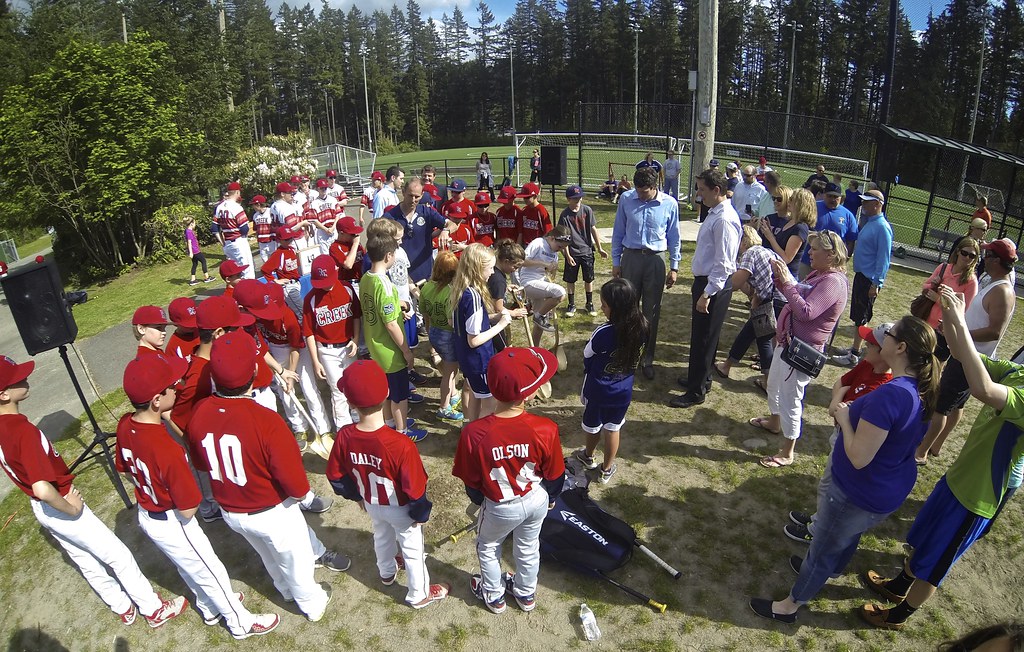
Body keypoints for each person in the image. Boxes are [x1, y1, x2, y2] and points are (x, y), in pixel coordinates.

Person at [750, 316, 938, 624]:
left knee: (821, 550)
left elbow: (859, 457)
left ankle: (790, 606)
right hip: (884, 489)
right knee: (847, 535)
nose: (882, 337)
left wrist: (844, 417)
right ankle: (834, 568)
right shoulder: (920, 387)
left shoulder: (893, 393)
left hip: (857, 490)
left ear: (901, 347)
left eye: (888, 334)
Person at [860, 286, 1024, 630]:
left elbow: (982, 390)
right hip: (958, 479)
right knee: (925, 540)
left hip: (977, 499)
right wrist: (952, 314)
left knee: (937, 562)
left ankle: (900, 615)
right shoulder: (1019, 373)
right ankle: (898, 586)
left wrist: (960, 322)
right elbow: (966, 357)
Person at [0, 356, 189, 628]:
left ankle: (121, 604)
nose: (25, 379)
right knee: (117, 554)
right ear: (4, 394)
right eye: (16, 379)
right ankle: (153, 609)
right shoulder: (23, 431)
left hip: (40, 508)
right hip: (59, 501)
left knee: (84, 558)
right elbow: (43, 488)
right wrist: (71, 507)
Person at [186, 332, 349, 623]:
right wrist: (300, 496)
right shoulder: (265, 420)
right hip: (269, 509)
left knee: (266, 553)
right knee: (295, 557)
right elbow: (296, 485)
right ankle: (312, 603)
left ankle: (284, 589)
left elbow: (201, 463)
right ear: (253, 372)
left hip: (230, 510)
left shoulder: (199, 412)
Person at [116, 354, 280, 640]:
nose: (177, 388)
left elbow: (125, 469)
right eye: (170, 386)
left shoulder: (124, 425)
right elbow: (190, 506)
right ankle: (240, 622)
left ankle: (208, 606)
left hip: (148, 512)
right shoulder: (165, 446)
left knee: (186, 566)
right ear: (156, 401)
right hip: (173, 518)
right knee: (209, 568)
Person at [326, 360, 450, 609]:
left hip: (371, 501)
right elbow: (415, 488)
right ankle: (418, 594)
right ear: (386, 395)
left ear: (350, 403)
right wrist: (420, 513)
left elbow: (336, 476)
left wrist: (356, 496)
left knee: (381, 535)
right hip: (401, 508)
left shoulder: (344, 436)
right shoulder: (400, 444)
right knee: (412, 549)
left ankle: (386, 572)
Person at [452, 346, 566, 614]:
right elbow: (556, 474)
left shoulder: (473, 433)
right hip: (535, 496)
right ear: (532, 391)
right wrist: (550, 497)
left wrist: (482, 501)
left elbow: (471, 483)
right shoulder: (545, 428)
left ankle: (493, 595)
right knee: (528, 547)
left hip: (500, 503)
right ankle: (526, 594)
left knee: (488, 545)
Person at [784, 322, 895, 544]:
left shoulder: (883, 385)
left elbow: (837, 408)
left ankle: (817, 531)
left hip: (849, 440)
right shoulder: (866, 365)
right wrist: (839, 398)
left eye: (871, 344)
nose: (864, 346)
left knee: (829, 486)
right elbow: (840, 383)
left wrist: (837, 401)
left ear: (884, 352)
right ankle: (818, 519)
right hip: (840, 431)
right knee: (827, 483)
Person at [750, 230, 849, 467]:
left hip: (800, 351)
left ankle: (787, 451)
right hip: (787, 345)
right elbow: (795, 295)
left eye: (815, 249)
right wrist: (781, 280)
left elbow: (806, 312)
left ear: (831, 254)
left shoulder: (833, 282)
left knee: (791, 398)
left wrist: (786, 283)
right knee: (773, 385)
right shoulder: (820, 274)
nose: (809, 253)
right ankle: (775, 423)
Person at [916, 239, 1017, 465]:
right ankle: (936, 445)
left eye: (988, 254)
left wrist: (961, 333)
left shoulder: (1002, 291)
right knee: (956, 404)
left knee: (941, 405)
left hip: (969, 357)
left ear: (996, 260)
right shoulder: (994, 283)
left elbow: (994, 332)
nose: (983, 257)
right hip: (965, 354)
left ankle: (921, 452)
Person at [670, 168, 741, 408]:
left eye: (702, 189)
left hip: (713, 285)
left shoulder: (723, 219)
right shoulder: (715, 212)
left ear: (716, 190)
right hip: (708, 282)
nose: (698, 194)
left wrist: (707, 293)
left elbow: (724, 262)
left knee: (704, 338)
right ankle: (700, 378)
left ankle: (696, 391)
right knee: (704, 336)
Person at [235, 279, 332, 450]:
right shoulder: (254, 317)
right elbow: (261, 345)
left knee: (309, 388)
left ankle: (323, 429)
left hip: (297, 350)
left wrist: (291, 374)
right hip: (276, 348)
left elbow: (295, 348)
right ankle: (299, 428)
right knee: (284, 391)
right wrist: (281, 372)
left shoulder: (289, 319)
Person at [573, 278, 648, 484]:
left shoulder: (604, 332)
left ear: (617, 308)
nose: (601, 308)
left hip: (597, 389)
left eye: (604, 305)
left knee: (593, 425)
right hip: (623, 390)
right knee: (613, 427)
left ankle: (588, 456)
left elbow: (587, 353)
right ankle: (606, 469)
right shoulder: (643, 326)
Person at [611, 166, 680, 380]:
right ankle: (625, 354)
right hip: (631, 257)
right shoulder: (626, 199)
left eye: (645, 191)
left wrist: (675, 266)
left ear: (655, 186)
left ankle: (646, 358)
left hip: (655, 260)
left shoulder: (670, 204)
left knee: (651, 312)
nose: (640, 195)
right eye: (638, 191)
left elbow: (674, 236)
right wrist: (616, 261)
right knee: (627, 308)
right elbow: (618, 230)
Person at [360, 235, 428, 442]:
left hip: (375, 345)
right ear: (389, 256)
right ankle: (402, 431)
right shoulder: (385, 285)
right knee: (400, 394)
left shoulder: (366, 278)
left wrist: (401, 305)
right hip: (390, 350)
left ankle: (390, 423)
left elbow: (378, 307)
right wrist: (406, 351)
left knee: (388, 391)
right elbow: (390, 323)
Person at [451, 244, 515, 422]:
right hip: (478, 360)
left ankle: (470, 429)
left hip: (466, 358)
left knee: (474, 395)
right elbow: (474, 339)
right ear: (478, 268)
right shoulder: (474, 297)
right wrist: (501, 324)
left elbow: (464, 323)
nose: (493, 273)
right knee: (489, 403)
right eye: (490, 268)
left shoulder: (460, 290)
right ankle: (481, 438)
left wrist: (491, 319)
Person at [713, 224, 784, 384]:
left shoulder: (750, 254)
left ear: (743, 241)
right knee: (749, 333)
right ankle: (726, 365)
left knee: (764, 339)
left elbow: (736, 284)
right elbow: (750, 287)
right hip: (778, 299)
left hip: (773, 302)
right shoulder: (764, 251)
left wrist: (715, 283)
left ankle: (768, 382)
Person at [833, 189, 894, 366]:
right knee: (857, 315)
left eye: (867, 202)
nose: (863, 205)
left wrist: (876, 283)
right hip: (862, 276)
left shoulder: (882, 227)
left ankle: (854, 354)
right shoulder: (871, 222)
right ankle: (854, 346)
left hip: (869, 279)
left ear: (878, 204)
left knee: (862, 317)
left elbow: (884, 259)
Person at [420, 252, 463, 422]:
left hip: (434, 332)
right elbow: (452, 321)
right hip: (448, 333)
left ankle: (453, 394)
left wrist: (430, 334)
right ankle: (444, 407)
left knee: (448, 367)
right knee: (450, 373)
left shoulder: (427, 287)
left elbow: (425, 314)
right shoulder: (451, 291)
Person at [920, 239, 980, 361]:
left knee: (933, 368)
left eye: (972, 256)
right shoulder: (943, 267)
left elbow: (963, 310)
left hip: (944, 330)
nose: (967, 257)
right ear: (957, 252)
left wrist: (938, 299)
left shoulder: (971, 281)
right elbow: (925, 287)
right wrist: (933, 284)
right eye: (964, 253)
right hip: (925, 322)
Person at [385, 177, 452, 284]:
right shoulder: (390, 217)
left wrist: (445, 230)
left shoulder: (426, 212)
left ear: (422, 195)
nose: (413, 200)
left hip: (426, 276)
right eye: (410, 195)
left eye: (417, 196)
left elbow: (452, 224)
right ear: (403, 192)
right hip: (400, 277)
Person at [558, 185, 607, 317]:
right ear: (568, 199)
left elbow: (593, 229)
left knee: (589, 278)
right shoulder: (565, 215)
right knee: (570, 280)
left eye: (580, 197)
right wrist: (567, 255)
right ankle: (571, 304)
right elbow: (564, 237)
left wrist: (599, 248)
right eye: (575, 198)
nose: (578, 200)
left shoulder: (587, 210)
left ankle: (589, 303)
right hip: (573, 252)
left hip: (586, 251)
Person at [798, 183, 857, 279]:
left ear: (841, 198)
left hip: (833, 266)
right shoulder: (813, 208)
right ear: (824, 195)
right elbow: (801, 228)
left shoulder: (848, 215)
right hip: (808, 261)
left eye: (835, 197)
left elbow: (851, 241)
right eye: (829, 196)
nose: (832, 199)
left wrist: (844, 260)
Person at [521, 225, 572, 338]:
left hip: (540, 282)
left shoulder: (554, 252)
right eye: (559, 246)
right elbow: (521, 261)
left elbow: (550, 275)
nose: (559, 250)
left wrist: (553, 269)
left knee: (540, 325)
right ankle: (539, 315)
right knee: (560, 293)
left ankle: (535, 349)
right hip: (528, 282)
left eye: (562, 248)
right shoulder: (539, 243)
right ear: (552, 238)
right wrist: (543, 264)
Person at [759, 185, 812, 277]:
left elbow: (786, 258)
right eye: (773, 198)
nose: (788, 202)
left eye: (791, 199)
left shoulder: (800, 228)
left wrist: (770, 236)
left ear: (800, 204)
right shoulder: (789, 222)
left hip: (786, 276)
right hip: (772, 271)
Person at [488, 239, 527, 354]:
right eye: (515, 267)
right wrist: (514, 313)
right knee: (502, 351)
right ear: (505, 261)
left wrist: (506, 287)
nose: (515, 271)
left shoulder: (494, 270)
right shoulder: (499, 280)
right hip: (493, 323)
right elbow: (498, 308)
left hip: (489, 319)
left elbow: (491, 289)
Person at [214, 182, 256, 279]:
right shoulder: (236, 207)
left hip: (227, 243)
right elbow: (244, 228)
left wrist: (222, 242)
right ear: (237, 192)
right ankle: (249, 292)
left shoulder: (219, 207)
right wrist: (243, 237)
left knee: (234, 272)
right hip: (238, 241)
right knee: (247, 270)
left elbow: (214, 228)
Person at [260, 225, 304, 318]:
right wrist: (275, 280)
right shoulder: (278, 254)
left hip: (296, 283)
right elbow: (265, 269)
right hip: (288, 286)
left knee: (296, 313)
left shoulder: (292, 249)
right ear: (279, 240)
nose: (289, 241)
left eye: (291, 238)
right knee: (302, 314)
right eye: (286, 239)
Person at [165, 297, 198, 362]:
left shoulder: (202, 330)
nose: (194, 326)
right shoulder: (173, 347)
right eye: (188, 325)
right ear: (175, 324)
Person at [250, 194, 277, 263]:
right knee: (265, 261)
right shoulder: (255, 215)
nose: (253, 207)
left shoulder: (270, 212)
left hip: (271, 241)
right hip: (261, 242)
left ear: (258, 204)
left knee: (274, 260)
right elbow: (256, 229)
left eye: (254, 205)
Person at [185, 217, 212, 286]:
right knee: (203, 261)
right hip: (195, 251)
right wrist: (191, 252)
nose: (195, 224)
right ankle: (207, 277)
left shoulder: (188, 231)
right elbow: (189, 242)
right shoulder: (189, 231)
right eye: (194, 223)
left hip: (194, 250)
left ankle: (193, 280)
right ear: (191, 224)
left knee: (195, 264)